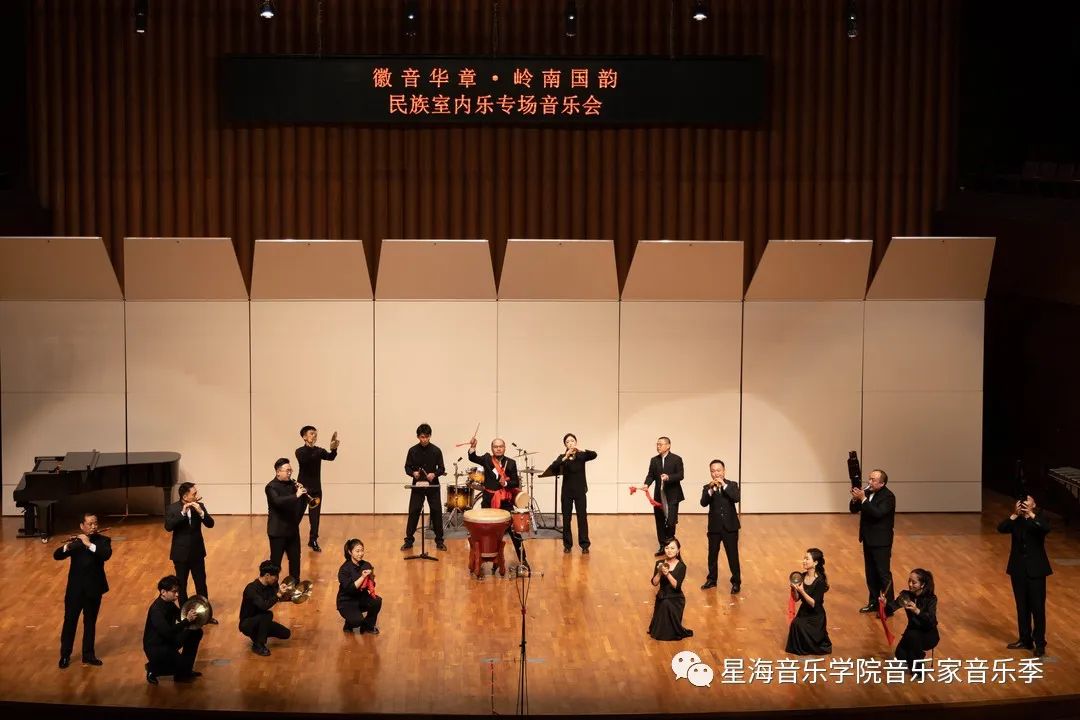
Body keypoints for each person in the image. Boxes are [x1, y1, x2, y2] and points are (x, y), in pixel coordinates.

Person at [54, 512, 112, 669]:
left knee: (90, 622)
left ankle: (88, 655)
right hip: (75, 591)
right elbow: (57, 555)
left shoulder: (103, 541)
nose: (94, 526)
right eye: (90, 524)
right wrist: (68, 546)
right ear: (82, 526)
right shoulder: (76, 543)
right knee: (70, 622)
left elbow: (106, 554)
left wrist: (88, 543)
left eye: (95, 523)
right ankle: (65, 655)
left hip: (94, 589)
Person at [998, 494, 1052, 657]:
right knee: (1022, 607)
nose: (1024, 504)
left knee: (1037, 608)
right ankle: (1025, 639)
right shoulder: (1017, 520)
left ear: (1034, 504)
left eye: (1028, 502)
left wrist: (1031, 514)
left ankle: (1040, 643)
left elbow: (1045, 528)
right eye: (1022, 502)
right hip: (1018, 569)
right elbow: (1001, 528)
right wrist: (1015, 514)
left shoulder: (1039, 518)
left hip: (1036, 570)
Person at [468, 436, 528, 566]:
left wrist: (505, 483)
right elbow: (472, 457)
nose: (498, 449)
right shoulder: (486, 459)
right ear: (492, 448)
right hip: (488, 501)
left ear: (504, 448)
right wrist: (473, 447)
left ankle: (523, 560)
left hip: (505, 502)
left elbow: (515, 482)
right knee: (485, 531)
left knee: (514, 531)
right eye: (496, 447)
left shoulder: (511, 463)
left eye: (501, 446)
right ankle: (482, 560)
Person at [164, 482, 217, 623]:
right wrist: (183, 513)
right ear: (185, 496)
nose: (196, 495)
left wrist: (201, 512)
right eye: (194, 494)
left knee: (201, 584)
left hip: (197, 552)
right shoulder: (173, 508)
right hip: (180, 554)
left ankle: (206, 615)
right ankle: (185, 616)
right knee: (181, 586)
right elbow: (168, 526)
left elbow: (210, 524)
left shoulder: (200, 506)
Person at [849, 468, 896, 614]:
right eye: (869, 478)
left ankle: (889, 607)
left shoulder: (888, 496)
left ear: (882, 483)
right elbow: (853, 509)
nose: (869, 482)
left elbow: (877, 513)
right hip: (868, 539)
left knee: (883, 574)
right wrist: (855, 499)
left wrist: (863, 499)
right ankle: (874, 602)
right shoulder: (868, 493)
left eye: (873, 480)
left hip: (881, 541)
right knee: (870, 573)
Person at [143, 575, 204, 684]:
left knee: (196, 632)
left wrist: (193, 614)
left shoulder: (169, 603)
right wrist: (187, 620)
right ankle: (152, 669)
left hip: (169, 641)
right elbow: (168, 632)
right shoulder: (156, 610)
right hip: (157, 647)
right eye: (174, 591)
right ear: (163, 592)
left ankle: (185, 671)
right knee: (181, 667)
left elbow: (180, 616)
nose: (177, 594)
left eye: (177, 591)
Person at [544, 433, 597, 554]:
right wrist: (565, 457)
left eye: (572, 441)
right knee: (566, 519)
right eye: (567, 442)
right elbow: (553, 467)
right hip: (567, 492)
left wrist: (581, 450)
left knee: (582, 518)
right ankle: (567, 545)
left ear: (576, 442)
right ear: (565, 445)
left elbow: (594, 455)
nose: (570, 443)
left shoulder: (582, 455)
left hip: (580, 491)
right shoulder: (562, 457)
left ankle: (584, 544)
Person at [295, 425, 339, 553]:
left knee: (315, 517)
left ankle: (313, 540)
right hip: (303, 489)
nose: (314, 436)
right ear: (304, 437)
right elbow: (306, 460)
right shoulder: (300, 451)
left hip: (316, 489)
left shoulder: (319, 451)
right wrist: (317, 450)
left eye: (315, 434)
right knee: (297, 515)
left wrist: (334, 449)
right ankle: (289, 539)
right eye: (311, 434)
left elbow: (331, 457)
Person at [699, 459, 741, 593]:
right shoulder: (707, 487)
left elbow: (736, 498)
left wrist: (724, 485)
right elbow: (703, 503)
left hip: (730, 527)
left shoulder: (732, 485)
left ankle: (736, 582)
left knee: (732, 556)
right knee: (712, 555)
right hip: (714, 527)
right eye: (713, 471)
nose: (716, 473)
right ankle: (712, 579)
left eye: (718, 470)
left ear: (724, 471)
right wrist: (711, 490)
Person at [403, 423, 446, 551]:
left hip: (433, 486)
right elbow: (407, 467)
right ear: (418, 437)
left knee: (436, 511)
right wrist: (413, 473)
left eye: (427, 437)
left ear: (430, 436)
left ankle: (439, 540)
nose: (425, 439)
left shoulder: (436, 450)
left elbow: (442, 468)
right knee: (414, 511)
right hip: (418, 486)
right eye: (422, 437)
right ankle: (409, 540)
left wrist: (434, 474)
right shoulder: (412, 450)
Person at [239, 561, 292, 656]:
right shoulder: (251, 589)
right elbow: (264, 606)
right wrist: (278, 595)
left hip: (262, 622)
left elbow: (277, 599)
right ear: (267, 575)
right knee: (267, 614)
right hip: (248, 624)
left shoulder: (271, 586)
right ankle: (259, 645)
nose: (277, 578)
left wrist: (285, 593)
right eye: (275, 576)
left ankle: (257, 637)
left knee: (286, 633)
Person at [266, 458, 307, 581]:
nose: (290, 473)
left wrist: (303, 496)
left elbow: (298, 506)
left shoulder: (293, 485)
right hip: (277, 532)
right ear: (278, 472)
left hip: (292, 530)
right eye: (287, 470)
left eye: (291, 470)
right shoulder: (271, 487)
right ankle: (273, 589)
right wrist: (296, 495)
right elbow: (278, 502)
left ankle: (295, 586)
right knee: (275, 563)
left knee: (295, 560)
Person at [785, 548, 832, 655]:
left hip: (816, 616)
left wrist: (802, 591)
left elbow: (814, 603)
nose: (804, 561)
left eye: (807, 559)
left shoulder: (820, 581)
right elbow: (796, 599)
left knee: (799, 625)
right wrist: (794, 589)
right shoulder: (801, 576)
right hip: (804, 612)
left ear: (815, 563)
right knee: (796, 624)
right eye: (804, 558)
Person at [894, 568, 939, 672]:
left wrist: (917, 610)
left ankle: (919, 667)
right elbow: (892, 606)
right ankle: (916, 654)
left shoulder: (931, 599)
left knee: (913, 639)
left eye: (914, 582)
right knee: (900, 655)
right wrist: (883, 604)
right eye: (909, 581)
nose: (910, 584)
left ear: (922, 585)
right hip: (912, 631)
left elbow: (931, 620)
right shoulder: (906, 595)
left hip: (928, 634)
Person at [648, 537, 693, 640]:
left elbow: (676, 586)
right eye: (667, 548)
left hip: (675, 598)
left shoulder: (681, 566)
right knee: (663, 603)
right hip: (662, 596)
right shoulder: (659, 563)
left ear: (678, 550)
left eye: (672, 548)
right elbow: (654, 583)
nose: (669, 550)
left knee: (666, 603)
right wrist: (659, 572)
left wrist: (667, 573)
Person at [645, 436, 684, 555]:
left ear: (668, 446)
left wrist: (669, 477)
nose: (658, 446)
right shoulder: (654, 460)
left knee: (671, 521)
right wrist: (646, 484)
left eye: (660, 444)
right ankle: (663, 546)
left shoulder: (676, 459)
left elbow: (680, 475)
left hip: (672, 495)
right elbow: (651, 475)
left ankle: (671, 544)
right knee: (660, 521)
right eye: (657, 444)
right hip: (659, 496)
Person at [338, 538, 383, 634]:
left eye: (362, 550)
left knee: (377, 601)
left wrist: (371, 580)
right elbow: (350, 589)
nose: (360, 554)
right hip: (347, 602)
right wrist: (363, 577)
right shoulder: (344, 570)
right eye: (357, 551)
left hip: (361, 598)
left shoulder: (366, 565)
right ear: (350, 552)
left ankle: (368, 626)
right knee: (357, 621)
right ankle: (349, 623)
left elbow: (372, 584)